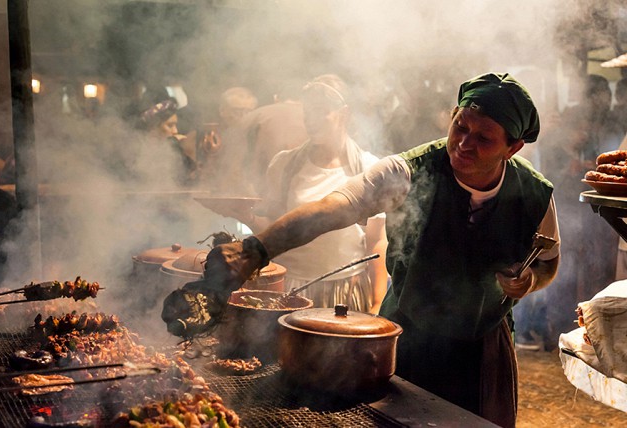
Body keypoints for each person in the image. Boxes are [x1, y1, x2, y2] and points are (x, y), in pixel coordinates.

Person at [201, 72, 560, 427]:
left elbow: (548, 262)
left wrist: (530, 280)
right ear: (452, 116)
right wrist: (256, 249)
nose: (464, 143)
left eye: (483, 138)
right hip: (407, 337)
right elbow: (335, 207)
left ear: (512, 148)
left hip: (485, 348)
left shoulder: (533, 193)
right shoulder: (406, 171)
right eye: (460, 127)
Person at [202, 74, 388, 314]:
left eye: (322, 111)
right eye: (308, 112)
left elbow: (376, 240)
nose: (313, 120)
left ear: (344, 114)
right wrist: (243, 215)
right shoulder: (285, 164)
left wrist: (377, 301)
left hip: (346, 290)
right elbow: (273, 227)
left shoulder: (368, 168)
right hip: (292, 288)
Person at [236, 79, 309, 197]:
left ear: (276, 98)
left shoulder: (253, 117)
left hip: (261, 199)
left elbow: (234, 163)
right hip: (306, 197)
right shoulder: (316, 119)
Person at [132, 91, 198, 187]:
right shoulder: (136, 152)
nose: (175, 131)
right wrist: (173, 143)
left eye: (176, 125)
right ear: (152, 128)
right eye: (170, 125)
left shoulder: (177, 150)